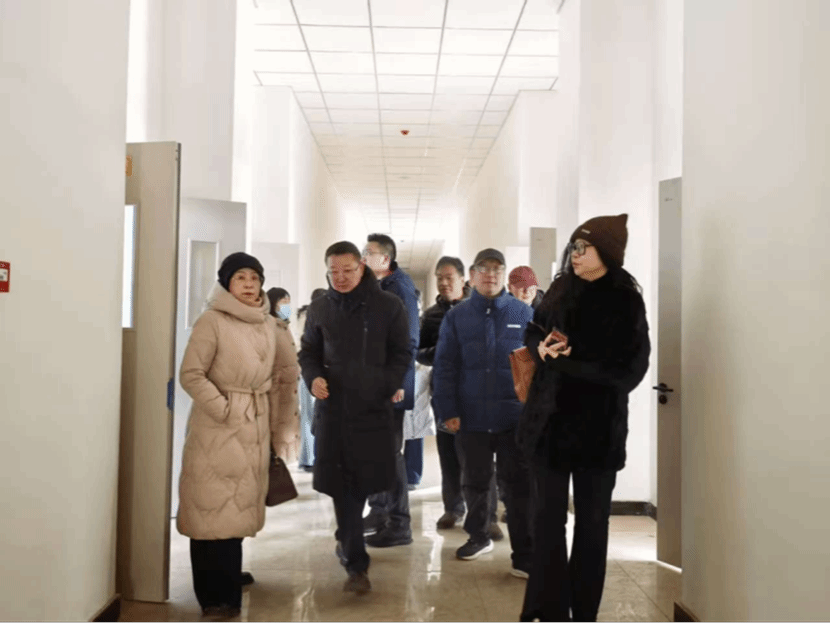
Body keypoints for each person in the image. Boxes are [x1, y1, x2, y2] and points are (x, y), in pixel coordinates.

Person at [517, 214, 651, 623]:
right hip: (549, 426)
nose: (574, 255)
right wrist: (541, 347)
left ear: (607, 252)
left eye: (583, 248)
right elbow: (532, 330)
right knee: (547, 523)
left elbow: (630, 372)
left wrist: (571, 361)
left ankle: (584, 612)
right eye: (573, 247)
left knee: (592, 527)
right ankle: (550, 610)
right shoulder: (561, 287)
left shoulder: (626, 300)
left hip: (598, 431)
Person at [176, 252, 299, 619]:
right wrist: (226, 408)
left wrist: (277, 428)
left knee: (239, 509)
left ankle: (229, 586)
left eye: (254, 278)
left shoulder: (268, 324)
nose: (249, 284)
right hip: (216, 429)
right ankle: (213, 597)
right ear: (227, 284)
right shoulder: (211, 321)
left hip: (255, 427)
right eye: (240, 278)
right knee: (208, 509)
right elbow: (191, 374)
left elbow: (282, 376)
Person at [298, 241, 411, 595]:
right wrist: (313, 377)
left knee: (363, 484)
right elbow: (308, 352)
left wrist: (388, 384)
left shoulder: (388, 306)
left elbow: (402, 351)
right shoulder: (320, 308)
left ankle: (347, 538)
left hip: (372, 411)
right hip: (334, 413)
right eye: (333, 271)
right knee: (341, 487)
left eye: (347, 270)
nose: (341, 277)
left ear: (362, 267)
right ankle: (356, 563)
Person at [432, 248, 534, 577]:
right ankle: (478, 536)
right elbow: (445, 367)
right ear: (473, 275)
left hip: (513, 418)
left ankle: (524, 554)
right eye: (484, 268)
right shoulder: (457, 317)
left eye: (497, 269)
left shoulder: (523, 312)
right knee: (475, 482)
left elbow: (535, 367)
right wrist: (448, 410)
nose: (490, 274)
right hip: (471, 416)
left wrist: (534, 412)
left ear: (503, 274)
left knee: (517, 487)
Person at [417, 256, 501, 541]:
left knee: (479, 460)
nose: (443, 282)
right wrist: (442, 351)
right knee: (449, 455)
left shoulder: (479, 309)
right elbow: (420, 352)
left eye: (449, 277)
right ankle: (452, 508)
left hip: (477, 396)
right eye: (439, 278)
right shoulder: (431, 316)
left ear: (464, 279)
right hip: (444, 394)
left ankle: (488, 517)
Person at [360, 233, 420, 548]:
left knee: (389, 454)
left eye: (367, 252)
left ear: (385, 259)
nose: (362, 257)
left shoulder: (400, 289)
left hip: (389, 387)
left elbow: (407, 340)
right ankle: (380, 511)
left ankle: (399, 524)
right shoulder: (377, 287)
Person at [296, 288, 327, 472]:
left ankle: (310, 458)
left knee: (311, 417)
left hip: (312, 373)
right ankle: (309, 459)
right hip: (310, 374)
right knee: (311, 417)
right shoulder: (309, 317)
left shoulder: (308, 316)